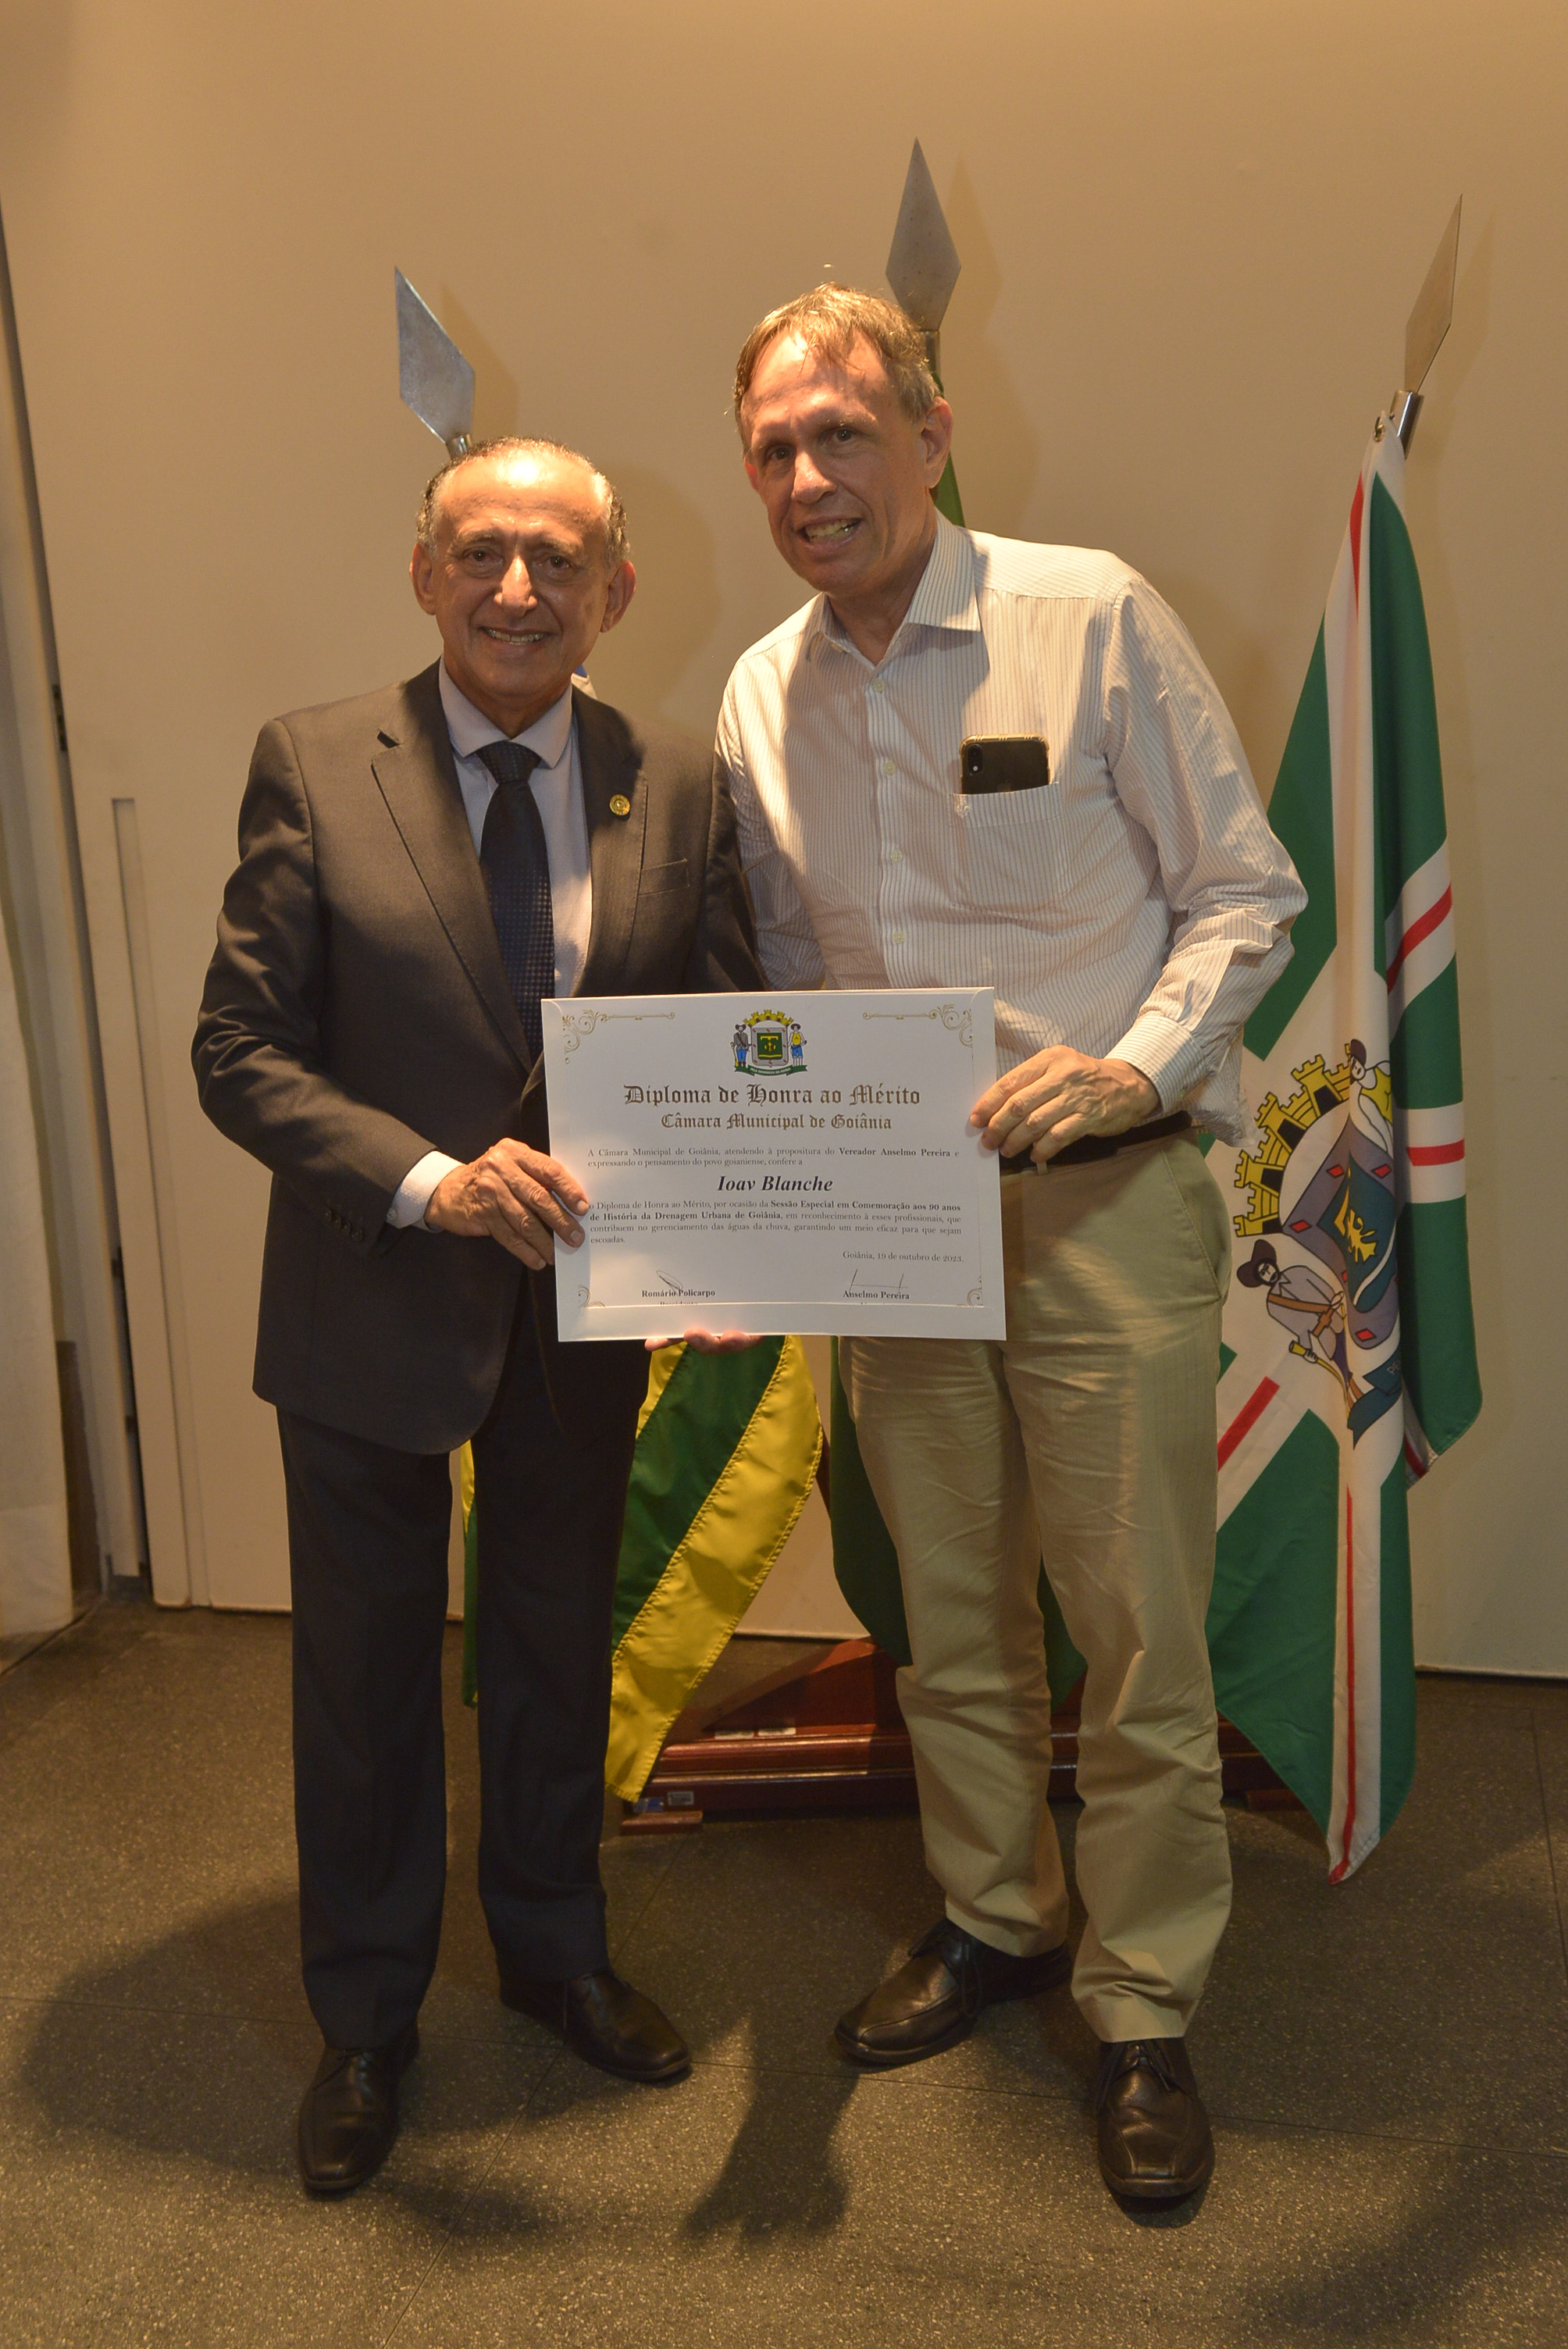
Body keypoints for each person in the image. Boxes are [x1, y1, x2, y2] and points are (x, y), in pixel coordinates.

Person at [716, 287, 1306, 2206]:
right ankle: (995, 1914)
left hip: (1101, 1197)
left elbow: (1243, 896)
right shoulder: (758, 691)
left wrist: (1129, 1068)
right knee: (947, 1606)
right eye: (773, 448)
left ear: (931, 430)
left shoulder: (1089, 615)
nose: (809, 478)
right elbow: (785, 979)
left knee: (1131, 1626)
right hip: (895, 1220)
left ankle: (1141, 2000)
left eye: (843, 433)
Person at [193, 437, 762, 2195]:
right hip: (370, 1298)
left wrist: (731, 1242)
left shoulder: (677, 780)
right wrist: (432, 1181)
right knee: (363, 1678)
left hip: (585, 1311)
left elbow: (724, 1031)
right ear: (424, 573)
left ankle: (553, 1949)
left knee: (548, 1647)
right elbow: (241, 1051)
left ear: (616, 591)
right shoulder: (312, 761)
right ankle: (366, 2018)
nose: (519, 588)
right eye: (483, 551)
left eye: (558, 557)